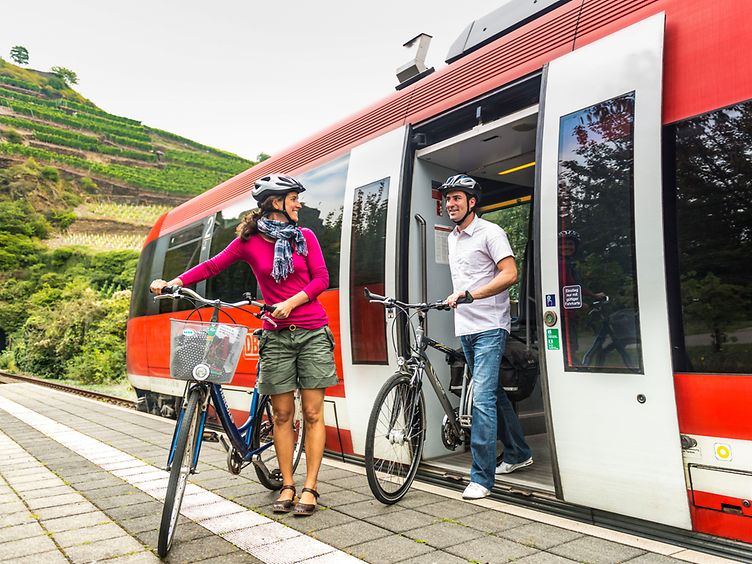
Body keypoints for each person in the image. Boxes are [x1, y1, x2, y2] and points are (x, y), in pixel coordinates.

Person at [150, 174, 338, 516]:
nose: (299, 204)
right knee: (282, 414)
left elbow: (322, 279)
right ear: (276, 203)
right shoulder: (249, 241)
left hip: (312, 331)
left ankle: (310, 487)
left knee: (311, 412)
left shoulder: (305, 237)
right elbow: (212, 265)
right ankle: (287, 484)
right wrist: (175, 281)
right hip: (276, 335)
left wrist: (292, 302)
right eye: (294, 198)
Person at [441, 174, 533, 500]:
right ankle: (520, 453)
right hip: (465, 328)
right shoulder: (452, 238)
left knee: (481, 400)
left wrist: (471, 295)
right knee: (493, 394)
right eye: (447, 198)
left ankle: (481, 477)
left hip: (490, 327)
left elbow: (510, 274)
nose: (450, 203)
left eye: (456, 198)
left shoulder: (491, 232)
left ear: (471, 202)